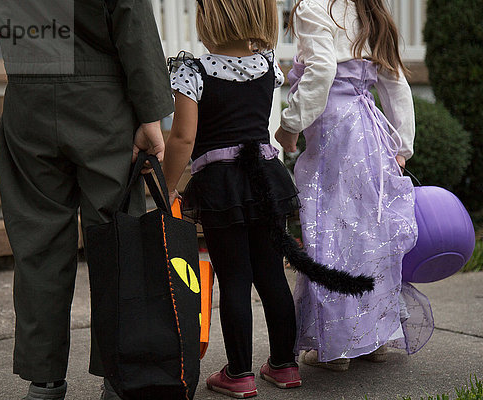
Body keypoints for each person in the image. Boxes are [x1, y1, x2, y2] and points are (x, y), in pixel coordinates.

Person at [0, 0, 173, 398]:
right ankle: (118, 377)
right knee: (118, 238)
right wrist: (151, 116)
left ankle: (44, 380)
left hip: (28, 97)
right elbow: (132, 22)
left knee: (38, 243)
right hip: (100, 101)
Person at [275, 0, 434, 371]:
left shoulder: (313, 8)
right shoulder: (368, 8)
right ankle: (373, 337)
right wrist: (403, 145)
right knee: (370, 236)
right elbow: (395, 82)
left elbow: (321, 71)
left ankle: (339, 344)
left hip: (335, 133)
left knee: (330, 234)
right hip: (371, 133)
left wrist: (291, 124)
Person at [162, 0, 303, 397]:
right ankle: (284, 365)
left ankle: (239, 373)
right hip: (265, 181)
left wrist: (169, 186)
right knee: (272, 275)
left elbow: (183, 137)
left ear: (209, 18)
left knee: (235, 280)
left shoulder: (193, 70)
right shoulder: (267, 65)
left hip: (223, 187)